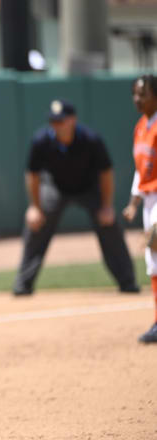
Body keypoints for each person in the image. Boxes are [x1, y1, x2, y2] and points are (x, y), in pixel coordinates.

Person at [13, 99, 139, 296]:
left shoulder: (91, 139)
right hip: (55, 187)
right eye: (53, 121)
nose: (56, 125)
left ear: (72, 120)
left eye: (61, 120)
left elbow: (106, 173)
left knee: (108, 224)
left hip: (89, 187)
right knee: (36, 225)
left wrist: (107, 206)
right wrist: (35, 207)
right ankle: (23, 284)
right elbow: (33, 175)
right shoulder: (41, 140)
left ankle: (128, 282)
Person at [122, 74, 157, 344]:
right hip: (148, 201)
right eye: (135, 93)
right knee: (153, 262)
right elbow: (140, 170)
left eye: (142, 93)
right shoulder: (141, 127)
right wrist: (134, 203)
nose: (137, 99)